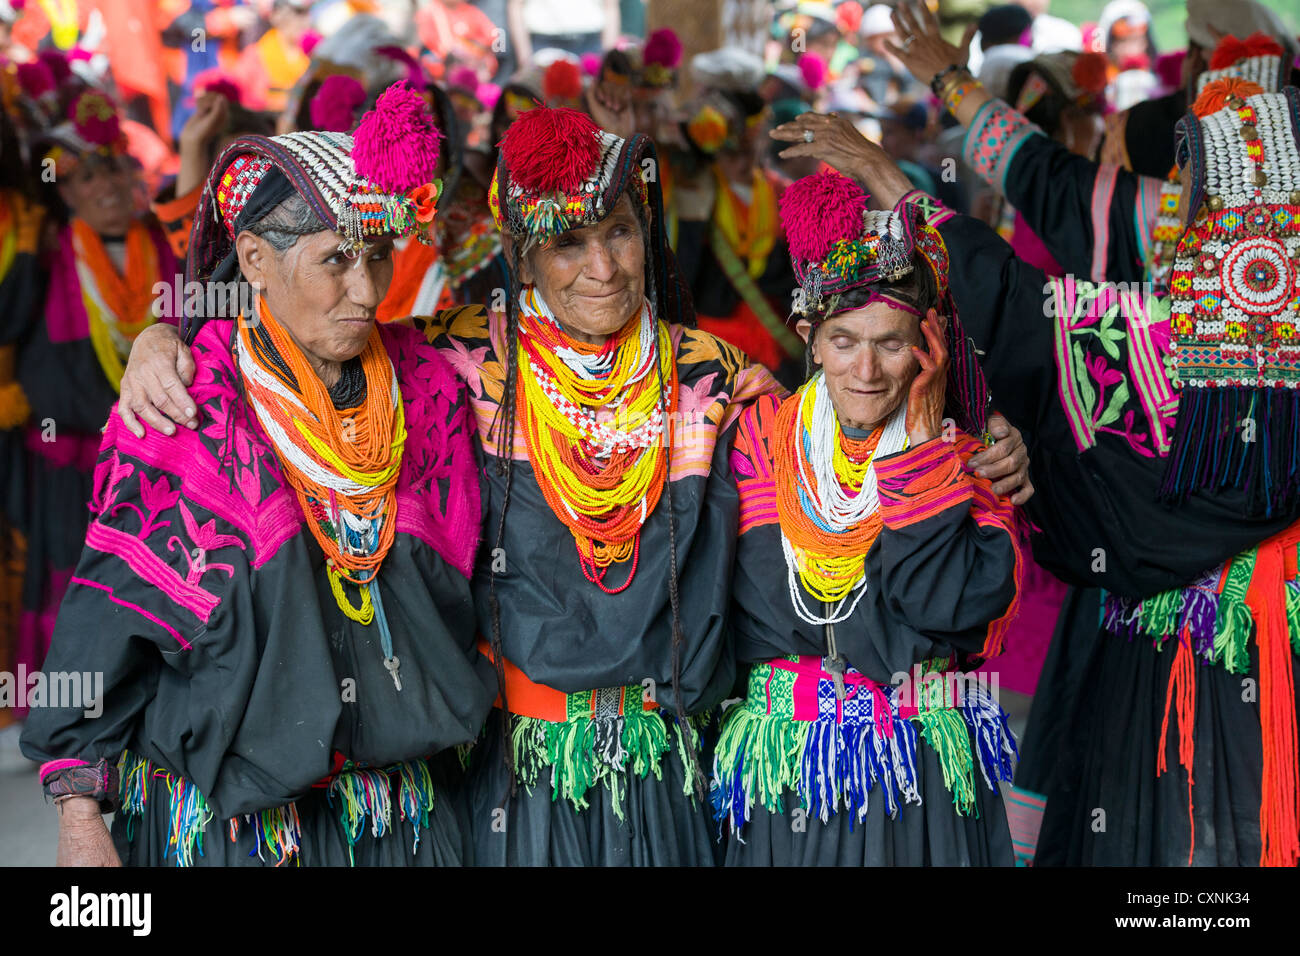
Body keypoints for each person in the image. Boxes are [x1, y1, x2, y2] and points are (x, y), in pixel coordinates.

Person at [786, 0, 1300, 866]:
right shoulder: (1209, 319)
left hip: (1172, 647)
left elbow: (1021, 286)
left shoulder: (1145, 335)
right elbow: (1054, 203)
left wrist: (887, 171)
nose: (1176, 207)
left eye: (1194, 183)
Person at [20, 83, 494, 866]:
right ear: (255, 261)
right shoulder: (184, 410)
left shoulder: (431, 383)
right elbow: (106, 620)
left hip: (405, 817)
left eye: (376, 256)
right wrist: (80, 812)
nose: (367, 291)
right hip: (241, 832)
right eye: (335, 259)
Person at [714, 169, 1024, 865]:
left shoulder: (973, 467)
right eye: (845, 341)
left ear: (929, 346)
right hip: (787, 769)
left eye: (892, 343)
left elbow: (945, 610)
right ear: (810, 338)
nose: (867, 371)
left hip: (917, 775)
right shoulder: (751, 443)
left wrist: (919, 448)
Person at [14, 90, 178, 716]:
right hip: (71, 447)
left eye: (116, 169)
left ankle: (144, 701)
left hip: (152, 446)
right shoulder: (48, 258)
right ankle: (67, 715)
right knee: (73, 577)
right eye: (89, 177)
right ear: (66, 192)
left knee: (148, 580)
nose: (108, 188)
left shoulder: (165, 245)